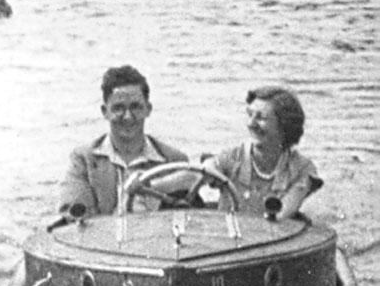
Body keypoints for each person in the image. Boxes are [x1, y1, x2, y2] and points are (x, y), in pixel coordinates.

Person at [59, 65, 189, 215]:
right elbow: (77, 221)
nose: (128, 117)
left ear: (148, 109)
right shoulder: (83, 161)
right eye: (118, 108)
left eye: (135, 107)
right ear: (105, 112)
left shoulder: (174, 161)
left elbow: (186, 219)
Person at [201, 86, 322, 220]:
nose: (250, 124)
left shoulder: (301, 169)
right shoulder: (232, 157)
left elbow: (285, 211)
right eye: (250, 115)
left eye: (261, 118)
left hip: (273, 238)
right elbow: (200, 172)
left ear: (283, 126)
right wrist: (208, 170)